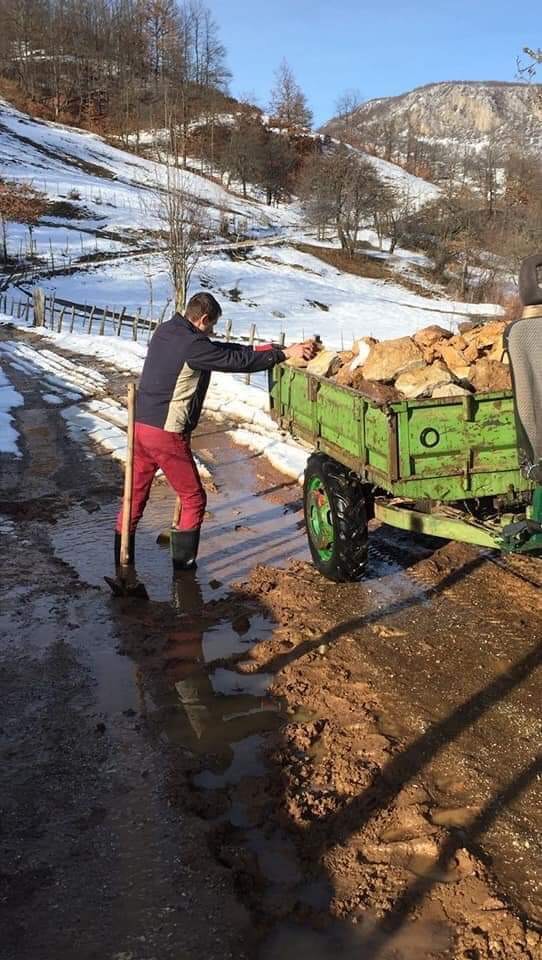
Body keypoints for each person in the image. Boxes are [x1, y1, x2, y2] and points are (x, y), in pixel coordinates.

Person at [114, 291, 317, 572]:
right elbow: (235, 362)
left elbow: (224, 349)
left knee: (135, 494)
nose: (212, 332)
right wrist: (282, 355)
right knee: (194, 498)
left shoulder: (167, 330)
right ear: (204, 319)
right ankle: (183, 574)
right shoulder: (194, 347)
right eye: (211, 326)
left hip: (140, 428)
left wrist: (273, 348)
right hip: (166, 433)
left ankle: (123, 565)